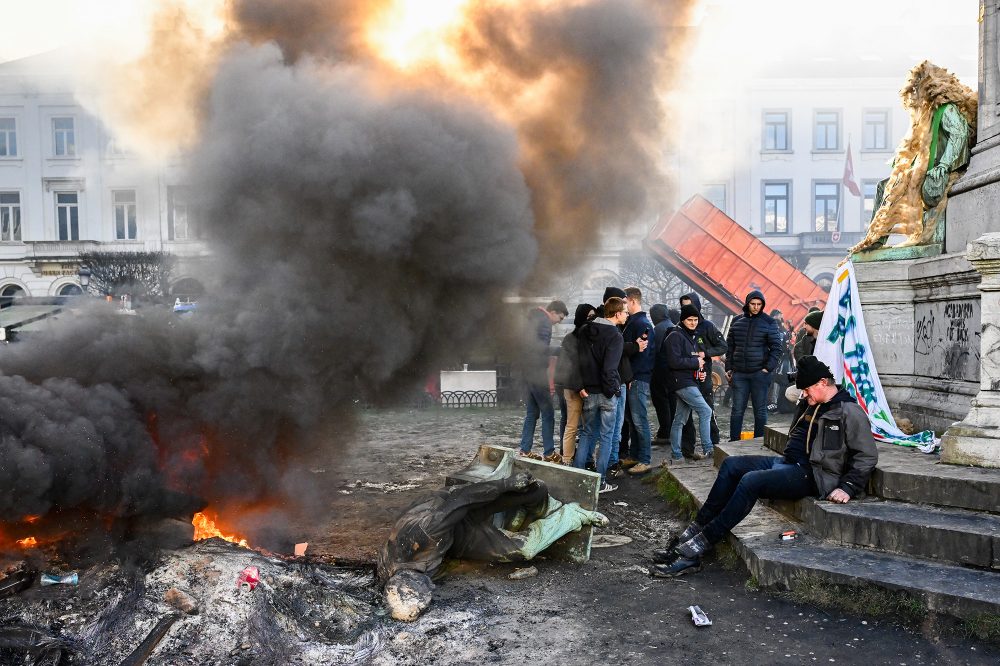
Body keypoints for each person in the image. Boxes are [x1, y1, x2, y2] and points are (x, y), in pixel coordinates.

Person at [651, 356, 878, 577]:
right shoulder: (812, 403)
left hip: (814, 475)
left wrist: (848, 486)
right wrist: (805, 398)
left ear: (822, 383)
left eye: (807, 390)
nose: (804, 395)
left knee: (751, 481)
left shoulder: (849, 411)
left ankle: (698, 547)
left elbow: (866, 455)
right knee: (731, 464)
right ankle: (692, 533)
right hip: (788, 463)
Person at [378, 472, 608, 620]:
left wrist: (505, 484)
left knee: (529, 507)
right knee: (518, 544)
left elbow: (463, 498)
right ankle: (541, 513)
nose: (431, 585)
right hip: (450, 538)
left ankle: (571, 514)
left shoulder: (428, 530)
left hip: (457, 516)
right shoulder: (390, 571)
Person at [574, 296, 628, 493]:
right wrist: (613, 390)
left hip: (587, 391)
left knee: (586, 434)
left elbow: (577, 362)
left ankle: (577, 479)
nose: (627, 315)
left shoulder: (584, 330)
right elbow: (610, 369)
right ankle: (600, 482)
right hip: (606, 393)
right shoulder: (615, 335)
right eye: (625, 312)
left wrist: (580, 385)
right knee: (606, 437)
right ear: (617, 313)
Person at [725, 290, 783, 441]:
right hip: (739, 374)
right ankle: (733, 441)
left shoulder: (770, 322)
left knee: (760, 410)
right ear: (747, 303)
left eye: (759, 304)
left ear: (762, 305)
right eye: (753, 304)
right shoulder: (737, 320)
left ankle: (759, 442)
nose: (756, 307)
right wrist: (728, 368)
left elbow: (777, 348)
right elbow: (730, 346)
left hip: (759, 373)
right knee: (737, 410)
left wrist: (767, 369)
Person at [678, 292, 727, 459]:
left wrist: (705, 354)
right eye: (684, 306)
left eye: (690, 305)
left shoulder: (707, 326)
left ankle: (714, 445)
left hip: (704, 376)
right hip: (686, 377)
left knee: (708, 410)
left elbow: (722, 346)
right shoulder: (679, 328)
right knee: (685, 417)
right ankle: (688, 449)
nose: (688, 309)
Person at [518, 300, 568, 462]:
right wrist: (561, 350)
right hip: (537, 373)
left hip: (526, 371)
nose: (558, 322)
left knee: (532, 412)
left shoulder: (532, 318)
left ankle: (525, 450)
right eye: (559, 318)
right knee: (548, 413)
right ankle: (549, 453)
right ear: (552, 312)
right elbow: (539, 349)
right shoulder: (545, 322)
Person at [665, 304, 715, 462]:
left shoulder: (690, 336)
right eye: (689, 320)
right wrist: (696, 362)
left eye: (695, 320)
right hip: (681, 383)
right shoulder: (675, 336)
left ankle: (677, 455)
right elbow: (674, 362)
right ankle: (708, 449)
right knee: (706, 411)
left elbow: (690, 361)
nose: (693, 323)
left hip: (688, 381)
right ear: (682, 320)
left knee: (679, 420)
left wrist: (699, 373)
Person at [554, 304, 596, 465]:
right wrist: (579, 386)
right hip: (573, 387)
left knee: (585, 428)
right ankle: (567, 459)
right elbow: (570, 366)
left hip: (582, 387)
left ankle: (585, 458)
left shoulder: (583, 336)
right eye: (589, 316)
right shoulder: (573, 338)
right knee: (572, 425)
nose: (592, 320)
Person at [620, 287, 656, 476]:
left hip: (638, 378)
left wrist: (632, 376)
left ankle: (645, 459)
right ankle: (635, 455)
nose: (623, 306)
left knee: (640, 419)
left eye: (624, 302)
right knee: (632, 419)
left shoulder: (641, 323)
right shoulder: (634, 322)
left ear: (632, 301)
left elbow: (644, 354)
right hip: (633, 378)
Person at [648, 303, 674, 446]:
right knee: (670, 402)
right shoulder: (673, 325)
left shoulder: (657, 329)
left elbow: (653, 352)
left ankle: (664, 433)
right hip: (672, 372)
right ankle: (669, 431)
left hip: (660, 371)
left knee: (661, 402)